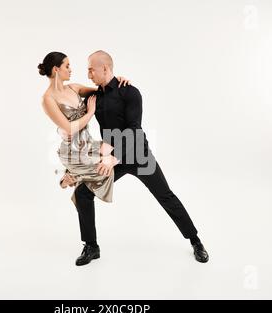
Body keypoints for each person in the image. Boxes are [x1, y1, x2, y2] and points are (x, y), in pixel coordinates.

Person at [61, 50, 209, 266]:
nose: (88, 73)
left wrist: (115, 158)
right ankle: (91, 247)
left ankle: (195, 241)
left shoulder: (130, 92)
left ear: (106, 68)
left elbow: (134, 131)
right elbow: (68, 94)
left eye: (91, 69)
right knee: (83, 192)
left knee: (165, 196)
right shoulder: (96, 96)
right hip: (110, 156)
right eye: (87, 69)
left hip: (138, 154)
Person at [39, 52, 130, 206]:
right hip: (72, 149)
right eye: (67, 66)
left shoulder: (74, 88)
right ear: (56, 69)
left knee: (119, 151)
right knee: (107, 164)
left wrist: (118, 79)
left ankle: (69, 177)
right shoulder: (47, 99)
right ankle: (69, 176)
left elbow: (104, 90)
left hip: (88, 143)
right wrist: (90, 113)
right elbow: (68, 128)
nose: (70, 69)